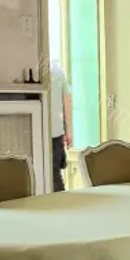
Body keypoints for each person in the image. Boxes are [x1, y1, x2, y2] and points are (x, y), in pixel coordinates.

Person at [50, 60, 72, 192]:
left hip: (36, 132)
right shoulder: (58, 71)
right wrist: (68, 131)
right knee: (55, 176)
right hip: (56, 132)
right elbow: (66, 102)